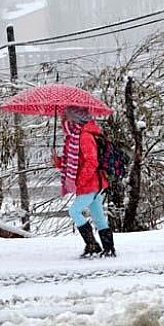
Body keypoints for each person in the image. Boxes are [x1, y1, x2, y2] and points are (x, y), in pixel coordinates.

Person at [52, 106, 117, 257]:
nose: (62, 119)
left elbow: (91, 162)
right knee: (99, 217)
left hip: (91, 183)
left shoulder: (84, 136)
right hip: (91, 183)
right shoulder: (74, 137)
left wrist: (80, 180)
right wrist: (58, 162)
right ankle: (108, 249)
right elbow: (74, 161)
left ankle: (92, 245)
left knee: (74, 211)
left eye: (65, 117)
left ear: (74, 119)